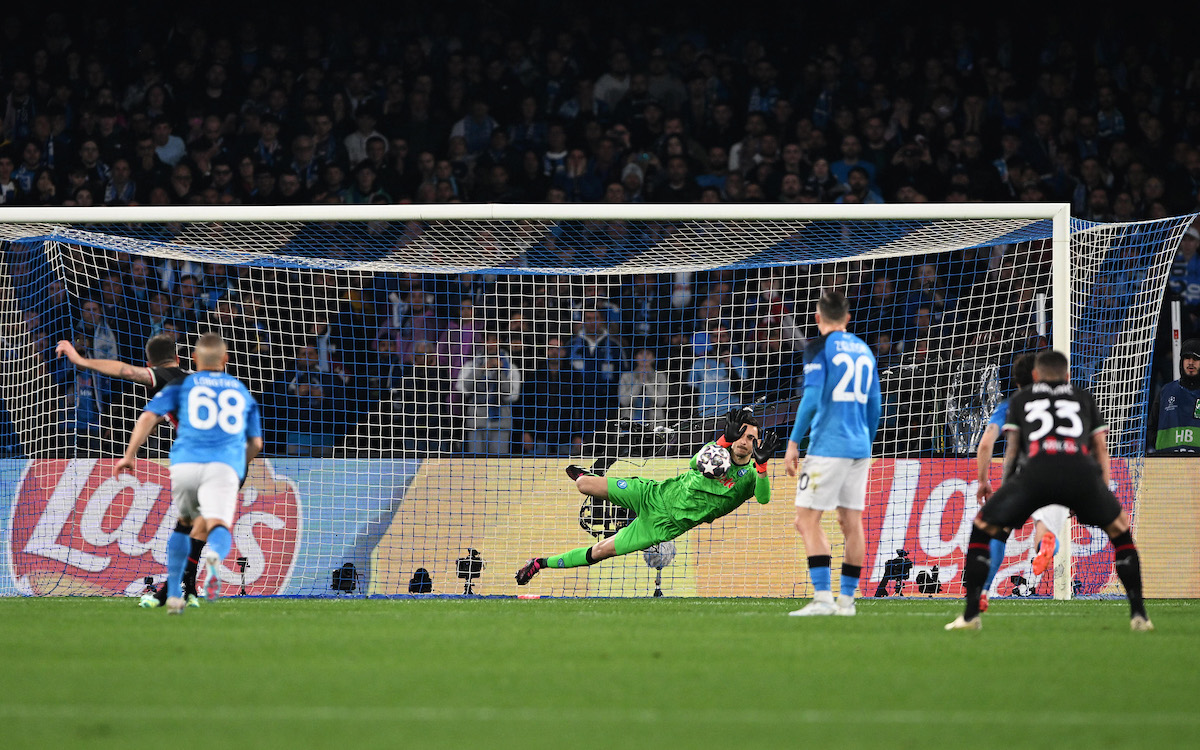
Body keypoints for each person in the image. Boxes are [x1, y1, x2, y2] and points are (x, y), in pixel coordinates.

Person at [946, 350, 1152, 631]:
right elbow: (1101, 448)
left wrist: (1008, 492)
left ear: (1035, 376)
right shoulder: (1083, 397)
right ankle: (1139, 615)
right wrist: (1100, 492)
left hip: (1034, 474)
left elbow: (1014, 450)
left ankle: (970, 617)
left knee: (983, 526)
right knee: (1120, 530)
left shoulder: (1020, 399)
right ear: (1067, 376)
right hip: (1079, 474)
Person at [515, 409, 778, 584]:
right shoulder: (714, 453)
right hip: (652, 494)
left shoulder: (753, 475)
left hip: (661, 526)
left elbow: (764, 499)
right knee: (582, 484)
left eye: (751, 437)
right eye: (741, 434)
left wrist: (763, 466)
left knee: (600, 551)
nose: (745, 440)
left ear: (757, 444)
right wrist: (722, 439)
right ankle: (592, 479)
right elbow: (694, 462)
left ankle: (540, 563)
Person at [56, 332, 208, 609]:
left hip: (199, 458)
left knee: (188, 524)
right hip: (233, 456)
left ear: (149, 362)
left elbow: (123, 370)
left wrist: (80, 359)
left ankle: (173, 589)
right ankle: (188, 587)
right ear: (178, 357)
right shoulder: (195, 379)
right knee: (199, 523)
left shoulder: (163, 377)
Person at [115, 333, 263, 614]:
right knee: (209, 526)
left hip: (189, 461)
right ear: (225, 359)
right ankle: (199, 573)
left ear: (193, 359)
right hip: (227, 463)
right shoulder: (239, 390)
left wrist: (129, 454)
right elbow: (255, 442)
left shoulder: (183, 383)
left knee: (186, 524)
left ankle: (177, 589)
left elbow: (149, 415)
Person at [784, 289, 881, 617]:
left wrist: (794, 442)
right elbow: (875, 406)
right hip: (859, 448)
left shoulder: (817, 348)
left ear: (817, 317)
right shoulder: (865, 351)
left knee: (806, 519)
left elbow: (810, 400)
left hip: (828, 447)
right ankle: (847, 602)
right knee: (851, 522)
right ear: (847, 318)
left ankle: (823, 598)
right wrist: (865, 445)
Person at [974, 352, 1068, 611]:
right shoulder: (1064, 405)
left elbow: (985, 445)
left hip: (1023, 475)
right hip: (1062, 474)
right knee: (1043, 531)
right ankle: (1044, 547)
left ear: (1016, 382)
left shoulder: (1011, 405)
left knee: (998, 531)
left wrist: (983, 481)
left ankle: (983, 591)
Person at [1146, 339, 1200, 454]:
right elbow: (1151, 426)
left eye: (1196, 359)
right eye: (1187, 358)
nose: (1191, 362)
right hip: (1167, 464)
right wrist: (1160, 446)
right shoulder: (1166, 391)